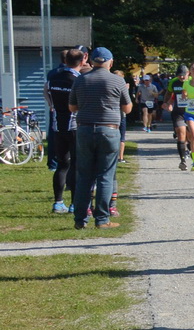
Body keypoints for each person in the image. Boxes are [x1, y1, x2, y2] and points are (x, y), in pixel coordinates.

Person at [68, 47, 132, 230]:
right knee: (105, 175)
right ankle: (102, 219)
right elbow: (127, 109)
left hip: (85, 130)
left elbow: (72, 107)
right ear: (110, 63)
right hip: (109, 131)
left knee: (84, 176)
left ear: (92, 61)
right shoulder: (117, 81)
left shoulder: (80, 80)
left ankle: (80, 220)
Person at [44, 46, 83, 214]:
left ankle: (58, 202)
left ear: (65, 61)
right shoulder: (79, 80)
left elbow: (46, 93)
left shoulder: (53, 78)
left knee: (61, 165)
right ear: (82, 61)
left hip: (57, 126)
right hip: (74, 126)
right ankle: (74, 203)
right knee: (76, 165)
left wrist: (52, 106)